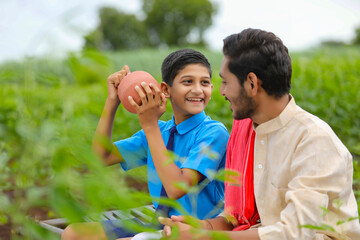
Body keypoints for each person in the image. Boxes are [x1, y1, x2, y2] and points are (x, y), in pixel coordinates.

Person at [159, 28, 360, 239]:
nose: (222, 91)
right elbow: (248, 220)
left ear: (252, 83)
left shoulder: (313, 142)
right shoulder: (249, 132)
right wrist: (203, 227)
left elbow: (296, 233)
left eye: (226, 82)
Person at [61, 49, 229, 240]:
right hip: (158, 223)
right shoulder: (159, 131)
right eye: (187, 81)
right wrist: (112, 102)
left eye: (205, 82)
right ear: (165, 90)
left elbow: (177, 187)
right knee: (72, 233)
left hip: (192, 230)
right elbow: (100, 157)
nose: (198, 90)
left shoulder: (213, 132)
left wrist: (149, 125)